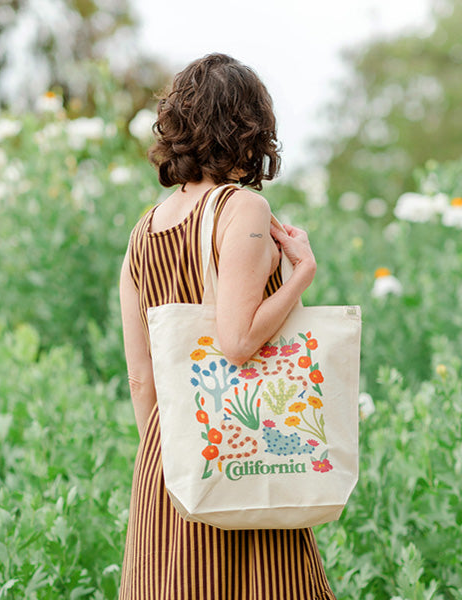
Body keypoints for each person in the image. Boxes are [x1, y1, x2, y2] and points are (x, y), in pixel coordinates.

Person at [118, 52, 335, 600]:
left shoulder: (144, 231)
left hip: (170, 463)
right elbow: (236, 342)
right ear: (250, 130)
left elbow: (141, 378)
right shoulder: (243, 209)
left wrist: (171, 456)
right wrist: (299, 277)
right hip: (243, 452)